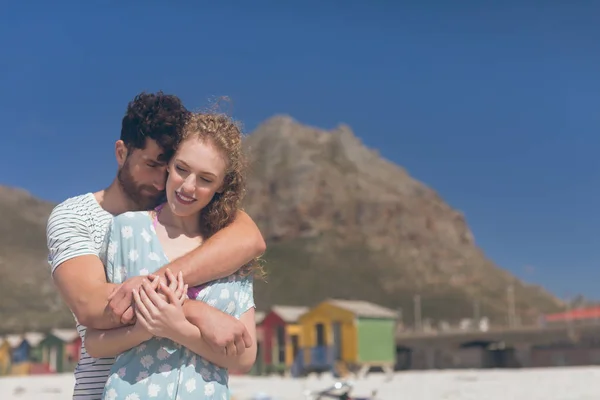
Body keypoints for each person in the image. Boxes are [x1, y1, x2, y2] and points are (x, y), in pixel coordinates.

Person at [46, 92, 266, 400]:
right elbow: (93, 306)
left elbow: (249, 238)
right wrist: (194, 310)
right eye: (152, 164)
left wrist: (165, 300)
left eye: (168, 165)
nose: (162, 178)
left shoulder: (195, 211)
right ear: (121, 153)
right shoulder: (80, 217)